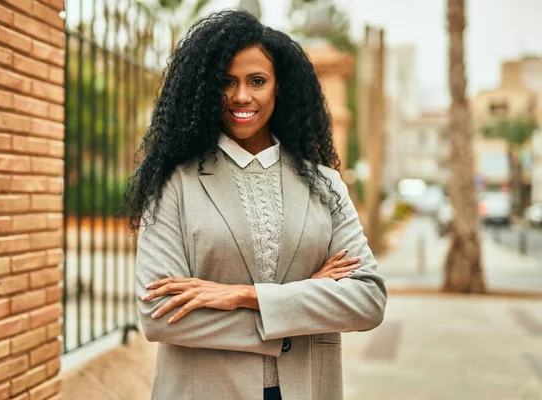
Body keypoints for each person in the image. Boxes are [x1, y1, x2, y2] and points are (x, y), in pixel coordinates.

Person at [124, 9, 387, 400]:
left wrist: (245, 295)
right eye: (227, 82)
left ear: (279, 89)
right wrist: (302, 301)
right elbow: (161, 316)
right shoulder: (173, 185)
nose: (241, 96)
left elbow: (367, 301)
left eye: (257, 81)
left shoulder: (325, 185)